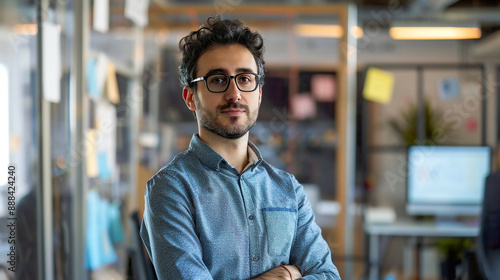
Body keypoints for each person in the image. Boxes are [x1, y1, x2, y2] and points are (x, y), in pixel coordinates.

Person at [140, 16, 341, 280]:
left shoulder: (287, 189)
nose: (234, 93)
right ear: (191, 97)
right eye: (217, 79)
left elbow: (327, 275)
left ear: (257, 94)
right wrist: (286, 276)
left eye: (245, 79)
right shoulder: (171, 190)